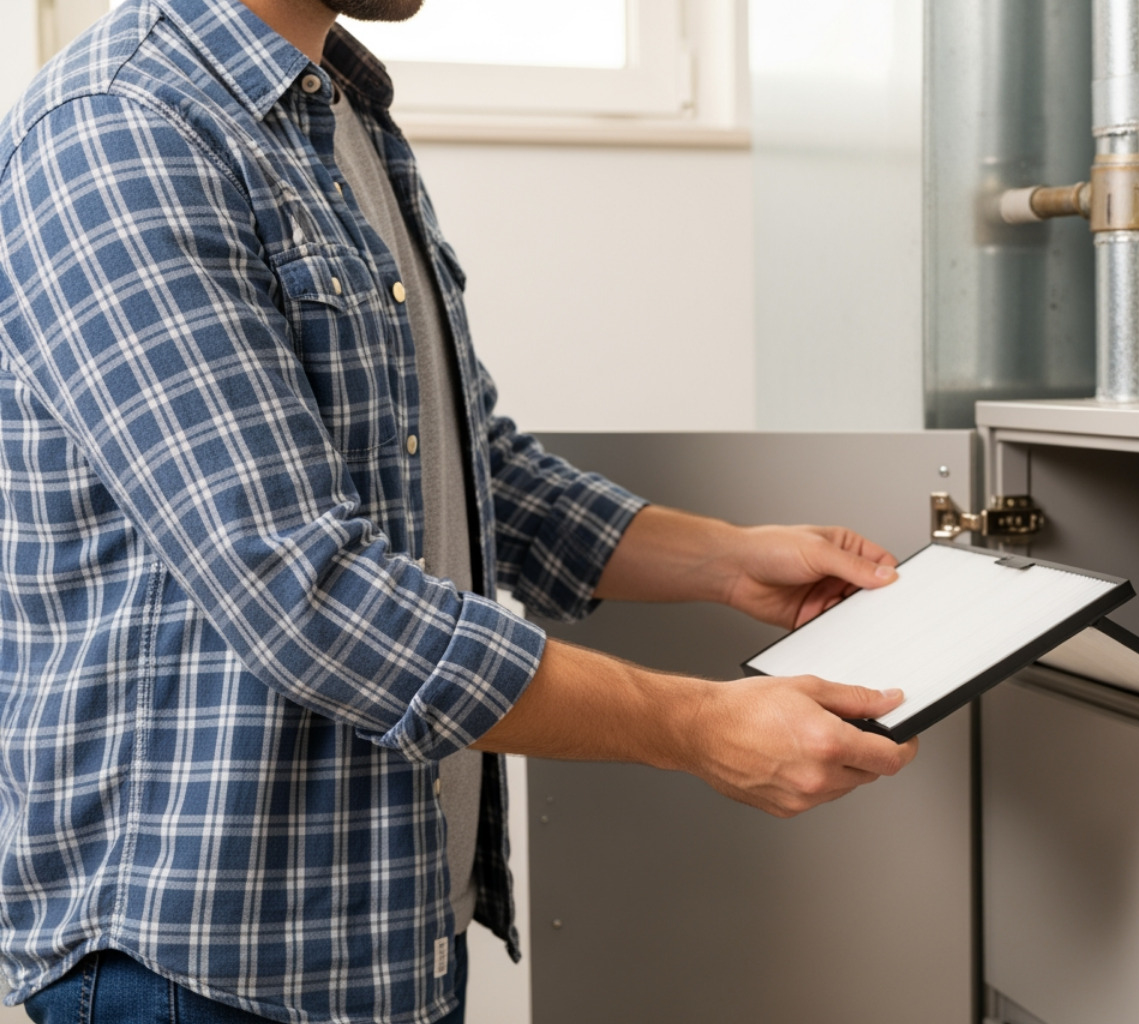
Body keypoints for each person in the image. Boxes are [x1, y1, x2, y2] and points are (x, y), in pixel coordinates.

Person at [0, 0, 919, 1021]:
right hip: (200, 963)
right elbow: (306, 593)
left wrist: (729, 560)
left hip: (390, 929)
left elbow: (471, 465)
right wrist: (697, 726)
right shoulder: (122, 128)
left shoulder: (341, 115)